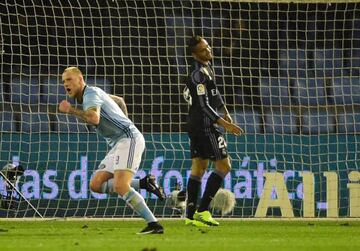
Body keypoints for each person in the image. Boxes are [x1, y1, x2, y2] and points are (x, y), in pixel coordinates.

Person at [58, 67, 164, 234]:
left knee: (122, 186)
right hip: (119, 143)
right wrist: (124, 120)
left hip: (129, 138)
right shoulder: (94, 93)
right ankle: (144, 183)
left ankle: (154, 225)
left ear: (80, 79)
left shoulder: (90, 94)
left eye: (69, 80)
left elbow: (94, 118)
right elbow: (120, 101)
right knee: (96, 185)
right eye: (63, 81)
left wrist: (70, 110)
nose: (65, 84)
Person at [183, 36, 244, 227]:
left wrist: (225, 111)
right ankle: (202, 211)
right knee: (224, 166)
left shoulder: (206, 70)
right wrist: (225, 124)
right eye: (203, 50)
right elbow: (203, 105)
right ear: (194, 54)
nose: (208, 51)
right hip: (204, 126)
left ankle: (190, 216)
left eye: (208, 47)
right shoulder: (197, 74)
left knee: (199, 168)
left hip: (196, 125)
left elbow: (214, 95)